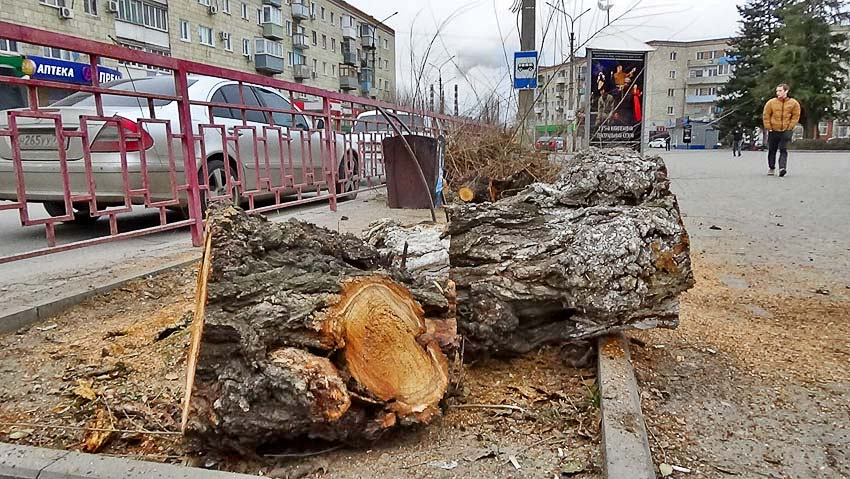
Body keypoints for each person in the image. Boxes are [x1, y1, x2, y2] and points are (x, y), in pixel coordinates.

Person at [762, 83, 801, 177]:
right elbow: (766, 115)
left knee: (783, 149)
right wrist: (769, 127)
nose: (778, 93)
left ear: (786, 91)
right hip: (773, 129)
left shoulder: (793, 103)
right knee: (772, 150)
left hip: (786, 130)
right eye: (777, 91)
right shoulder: (771, 103)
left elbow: (796, 116)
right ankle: (771, 167)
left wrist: (790, 126)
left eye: (780, 91)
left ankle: (782, 168)